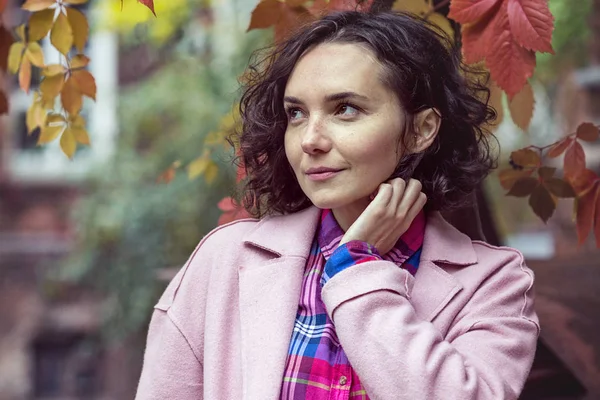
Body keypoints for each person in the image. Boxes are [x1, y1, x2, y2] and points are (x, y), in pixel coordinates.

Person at [135, 10, 539, 400]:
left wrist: (357, 267)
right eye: (296, 113)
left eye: (345, 109)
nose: (310, 139)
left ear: (421, 130)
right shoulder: (222, 260)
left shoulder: (495, 284)